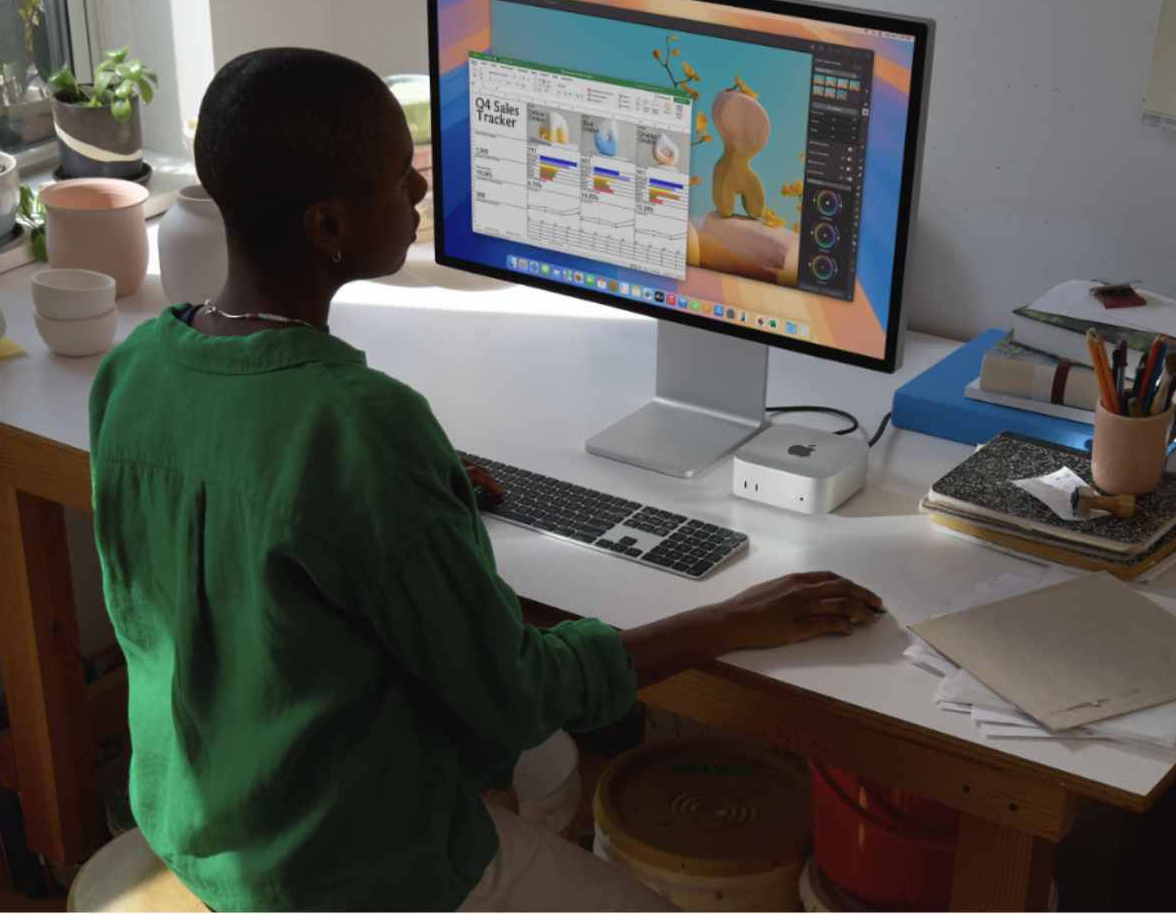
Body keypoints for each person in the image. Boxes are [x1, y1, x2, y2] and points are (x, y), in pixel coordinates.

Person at [88, 47, 882, 912]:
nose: (422, 192)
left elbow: (263, 524)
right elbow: (518, 694)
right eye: (400, 177)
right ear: (328, 227)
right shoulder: (360, 426)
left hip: (203, 815)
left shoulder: (135, 371)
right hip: (338, 872)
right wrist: (730, 620)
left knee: (549, 772)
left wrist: (419, 493)